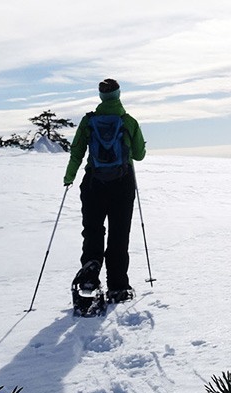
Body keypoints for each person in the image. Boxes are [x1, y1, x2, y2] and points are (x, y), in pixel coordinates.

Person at [63, 78, 146, 304]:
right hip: (122, 183)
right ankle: (118, 287)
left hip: (94, 184)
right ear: (118, 95)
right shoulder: (128, 121)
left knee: (93, 232)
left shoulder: (89, 121)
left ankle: (88, 281)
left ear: (101, 96)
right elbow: (139, 155)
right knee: (119, 234)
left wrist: (69, 177)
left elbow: (77, 151)